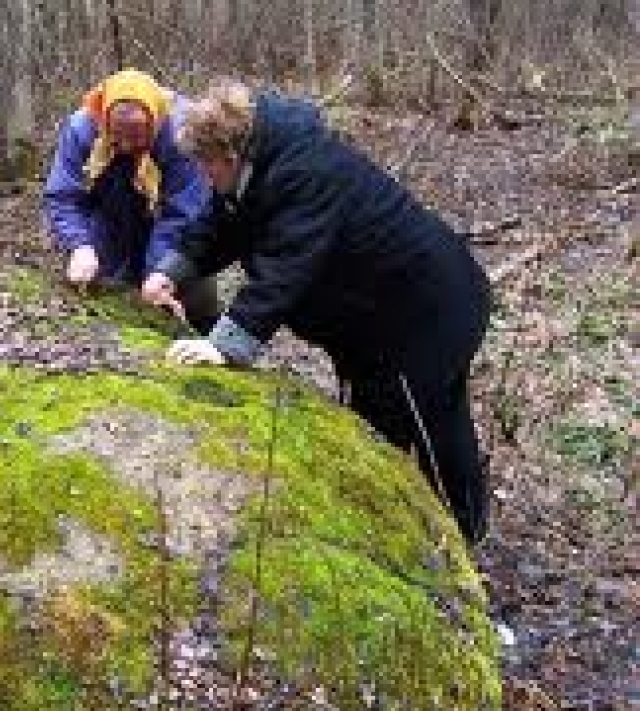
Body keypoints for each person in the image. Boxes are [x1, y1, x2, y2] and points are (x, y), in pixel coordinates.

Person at [141, 80, 492, 545]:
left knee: (433, 418)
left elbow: (285, 267)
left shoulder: (303, 171)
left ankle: (465, 535)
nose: (202, 177)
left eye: (205, 166)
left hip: (431, 306)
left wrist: (225, 344)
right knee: (374, 421)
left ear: (229, 153)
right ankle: (396, 529)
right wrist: (173, 271)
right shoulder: (254, 167)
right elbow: (220, 224)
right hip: (376, 317)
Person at [43, 69, 220, 331]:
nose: (125, 146)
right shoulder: (82, 129)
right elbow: (63, 197)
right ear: (103, 120)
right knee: (108, 297)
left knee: (193, 296)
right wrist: (80, 245)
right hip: (110, 221)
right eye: (117, 136)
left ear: (155, 123)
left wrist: (160, 274)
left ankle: (211, 344)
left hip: (171, 226)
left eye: (136, 138)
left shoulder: (181, 134)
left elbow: (184, 214)